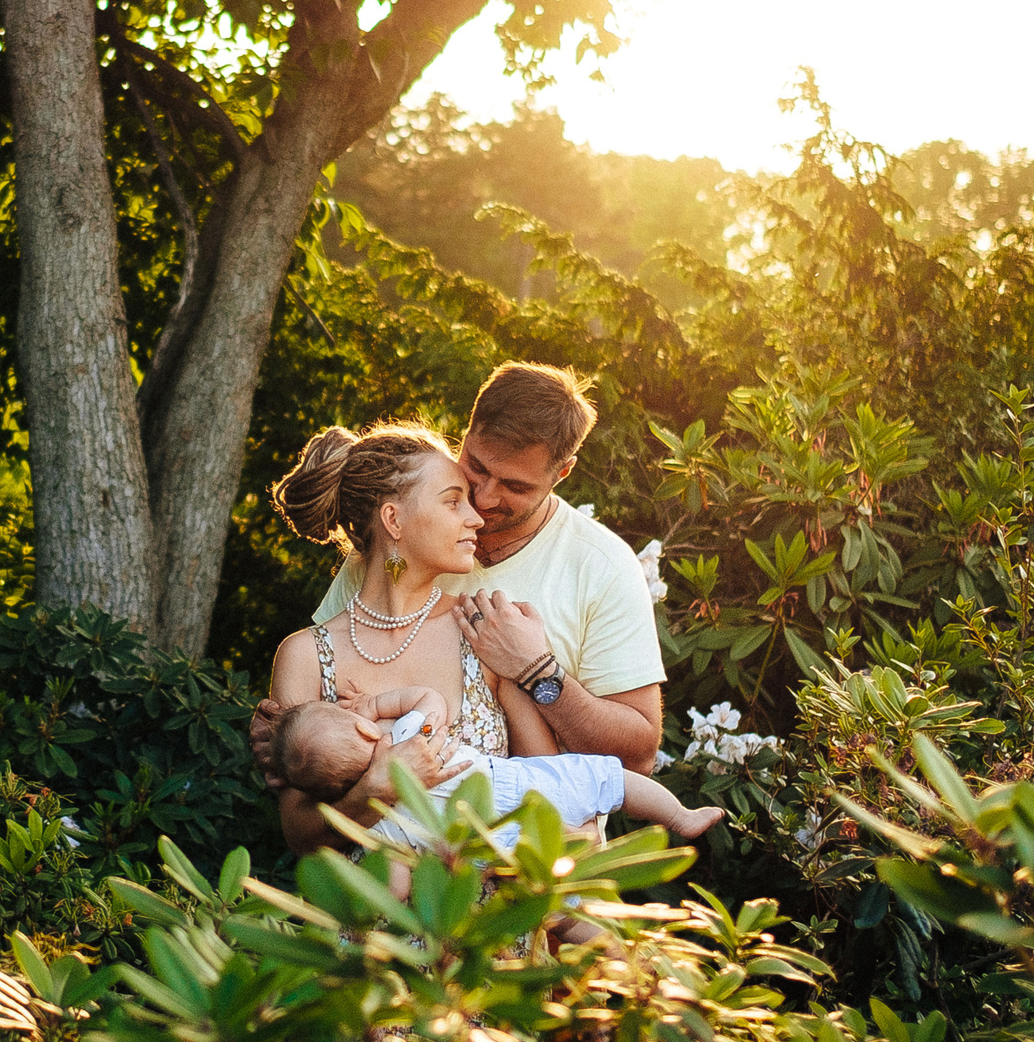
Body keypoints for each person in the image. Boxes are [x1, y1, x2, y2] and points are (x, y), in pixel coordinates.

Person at [305, 362, 665, 771]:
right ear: (467, 433)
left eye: (516, 486)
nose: (485, 499)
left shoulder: (602, 567)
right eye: (477, 466)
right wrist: (292, 730)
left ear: (562, 473)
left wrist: (537, 672)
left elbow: (639, 758)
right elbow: (322, 673)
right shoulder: (404, 535)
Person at [258, 420, 550, 856]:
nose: (475, 518)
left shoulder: (484, 631)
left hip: (487, 915)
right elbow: (301, 837)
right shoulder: (304, 655)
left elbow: (547, 784)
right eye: (454, 501)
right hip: (371, 918)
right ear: (394, 519)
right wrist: (377, 786)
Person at [264, 689, 724, 851]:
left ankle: (615, 962)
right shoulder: (408, 736)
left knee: (565, 910)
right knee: (612, 779)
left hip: (495, 850)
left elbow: (400, 882)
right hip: (526, 785)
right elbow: (432, 700)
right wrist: (379, 704)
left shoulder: (385, 824)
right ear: (367, 731)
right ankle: (680, 816)